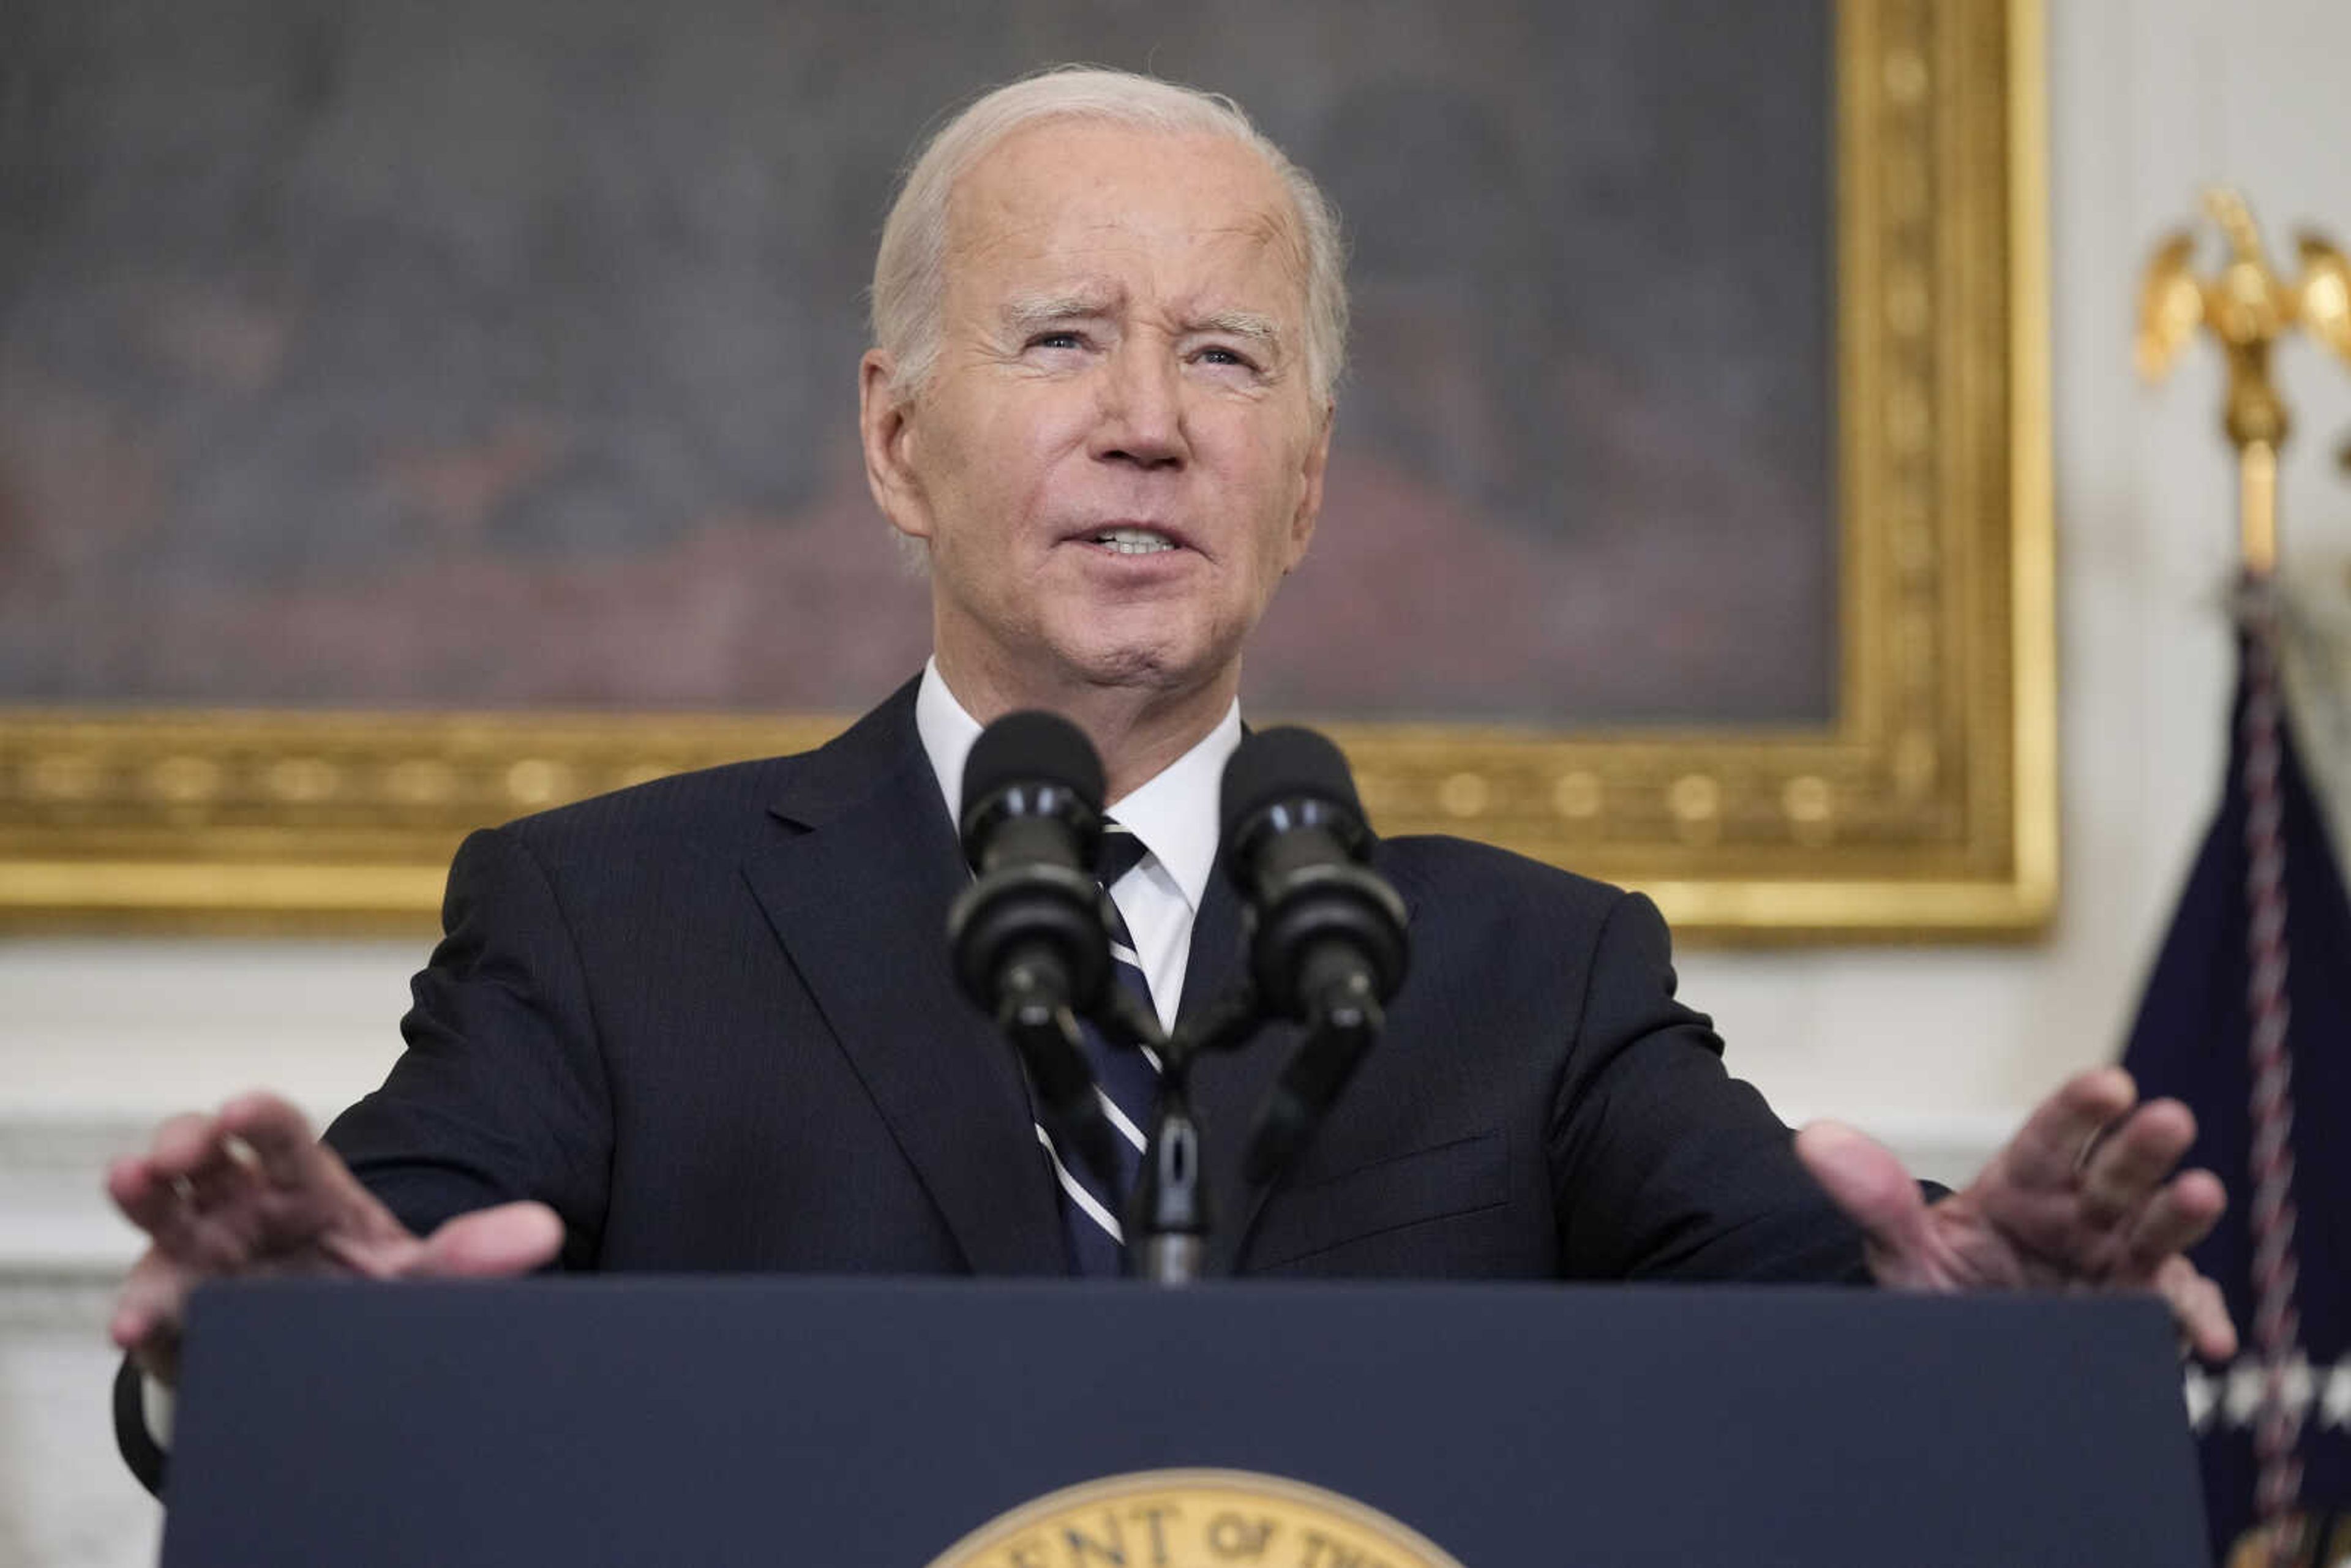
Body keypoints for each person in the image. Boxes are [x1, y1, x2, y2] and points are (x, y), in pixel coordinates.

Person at [103, 66, 2235, 1492]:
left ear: (1304, 482)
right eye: (1060, 339)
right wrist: (286, 1354)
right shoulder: (610, 922)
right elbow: (376, 1275)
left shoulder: (1531, 973)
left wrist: (1977, 1341)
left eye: (1226, 357)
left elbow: (1804, 1308)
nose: (1150, 420)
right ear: (891, 438)